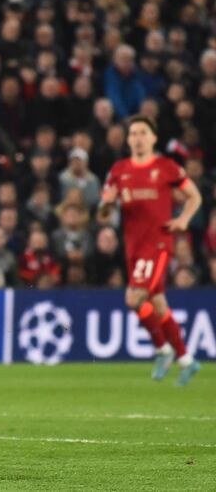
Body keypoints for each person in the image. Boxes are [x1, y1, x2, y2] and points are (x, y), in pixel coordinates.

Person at [99, 115, 202, 385]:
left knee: (134, 299)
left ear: (154, 138)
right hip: (133, 247)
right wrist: (107, 205)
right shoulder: (119, 170)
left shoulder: (166, 166)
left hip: (158, 244)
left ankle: (163, 349)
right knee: (157, 303)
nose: (138, 137)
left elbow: (195, 196)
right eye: (133, 133)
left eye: (143, 132)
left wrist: (183, 220)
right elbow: (102, 214)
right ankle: (187, 360)